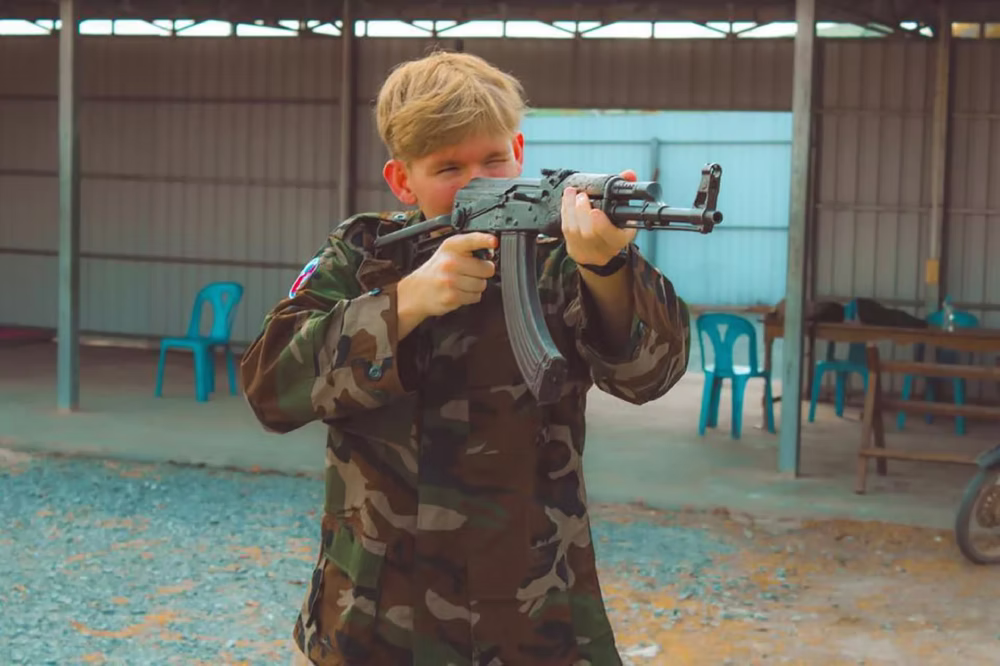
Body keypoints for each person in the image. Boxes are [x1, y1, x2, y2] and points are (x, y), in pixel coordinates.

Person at [240, 49, 691, 666]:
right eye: (449, 167)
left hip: (534, 614)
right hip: (378, 617)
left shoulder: (563, 261)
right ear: (403, 180)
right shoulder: (364, 254)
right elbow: (269, 387)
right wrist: (405, 303)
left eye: (494, 159)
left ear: (520, 150)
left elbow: (651, 376)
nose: (481, 181)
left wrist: (607, 268)